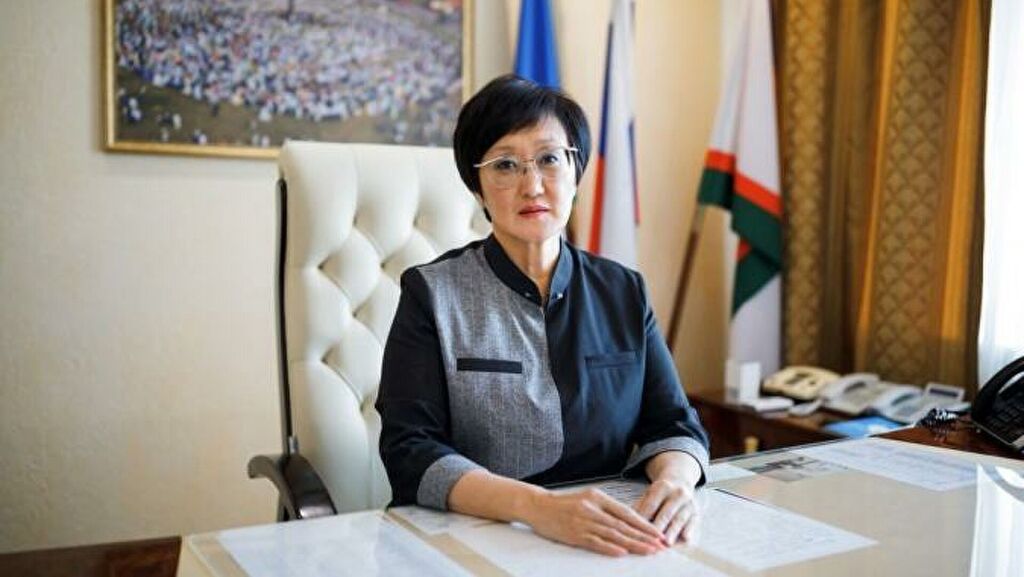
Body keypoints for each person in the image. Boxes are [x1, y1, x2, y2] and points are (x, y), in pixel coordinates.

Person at [376, 74, 709, 557]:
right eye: (505, 165)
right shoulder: (432, 293)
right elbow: (410, 451)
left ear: (576, 172)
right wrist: (538, 508)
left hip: (613, 542)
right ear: (478, 188)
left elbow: (674, 423)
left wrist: (676, 482)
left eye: (550, 159)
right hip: (476, 540)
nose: (532, 185)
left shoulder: (624, 291)